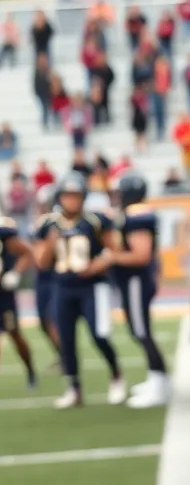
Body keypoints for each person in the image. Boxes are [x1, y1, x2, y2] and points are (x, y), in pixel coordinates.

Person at [35, 171, 124, 409]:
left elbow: (112, 250)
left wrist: (98, 264)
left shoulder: (95, 221)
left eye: (75, 196)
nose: (71, 201)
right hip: (63, 287)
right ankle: (74, 388)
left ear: (83, 197)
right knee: (66, 340)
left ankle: (116, 374)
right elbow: (41, 262)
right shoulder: (49, 224)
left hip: (92, 287)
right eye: (67, 196)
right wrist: (51, 243)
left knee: (99, 335)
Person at [108, 172, 170, 408]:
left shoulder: (137, 214)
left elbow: (141, 255)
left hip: (136, 280)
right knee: (139, 331)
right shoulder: (132, 213)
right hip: (132, 281)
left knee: (141, 331)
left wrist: (111, 256)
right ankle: (158, 379)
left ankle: (159, 382)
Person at [0, 213, 37, 389]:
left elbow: (27, 252)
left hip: (3, 294)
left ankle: (30, 370)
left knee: (14, 333)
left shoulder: (4, 230)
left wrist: (15, 272)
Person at [30, 185, 61, 368]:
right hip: (44, 278)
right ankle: (61, 354)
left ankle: (65, 356)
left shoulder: (52, 223)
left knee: (51, 319)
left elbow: (42, 259)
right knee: (44, 321)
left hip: (52, 277)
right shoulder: (45, 222)